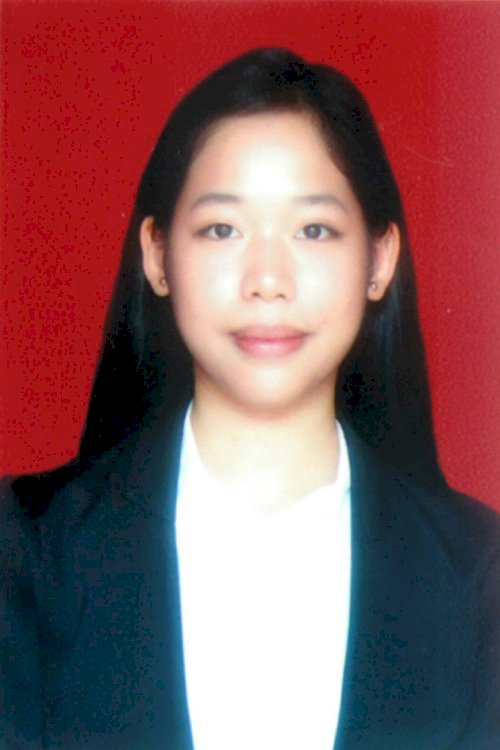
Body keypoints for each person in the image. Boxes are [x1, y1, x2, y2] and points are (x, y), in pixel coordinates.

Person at [1, 47, 499, 750]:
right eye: (222, 229)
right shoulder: (24, 554)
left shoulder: (481, 576)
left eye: (314, 230)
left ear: (379, 260)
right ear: (157, 256)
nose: (267, 279)